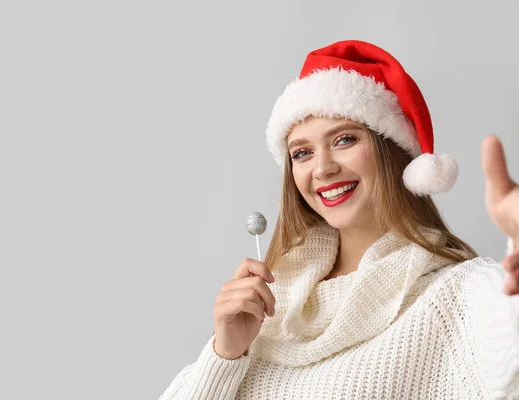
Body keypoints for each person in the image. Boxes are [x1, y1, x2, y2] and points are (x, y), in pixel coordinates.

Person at [159, 40, 519, 399]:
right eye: (302, 152)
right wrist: (225, 354)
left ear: (392, 151)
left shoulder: (456, 294)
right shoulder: (270, 307)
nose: (323, 168)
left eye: (345, 139)